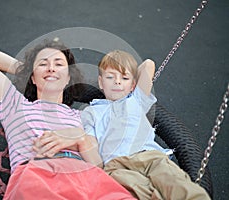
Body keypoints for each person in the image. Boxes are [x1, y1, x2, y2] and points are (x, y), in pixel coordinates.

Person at [0, 40, 136, 199]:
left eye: (59, 64)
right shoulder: (16, 105)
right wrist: (26, 70)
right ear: (32, 78)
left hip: (85, 176)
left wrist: (80, 138)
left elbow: (97, 165)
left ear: (68, 79)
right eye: (43, 64)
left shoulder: (84, 116)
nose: (51, 68)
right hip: (37, 174)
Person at [80, 50, 211, 200]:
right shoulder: (92, 111)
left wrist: (131, 77)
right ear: (100, 82)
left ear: (133, 85)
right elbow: (90, 142)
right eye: (110, 77)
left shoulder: (136, 100)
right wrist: (99, 170)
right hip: (117, 163)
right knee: (143, 193)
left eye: (124, 78)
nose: (117, 81)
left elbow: (148, 65)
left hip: (150, 156)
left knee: (176, 183)